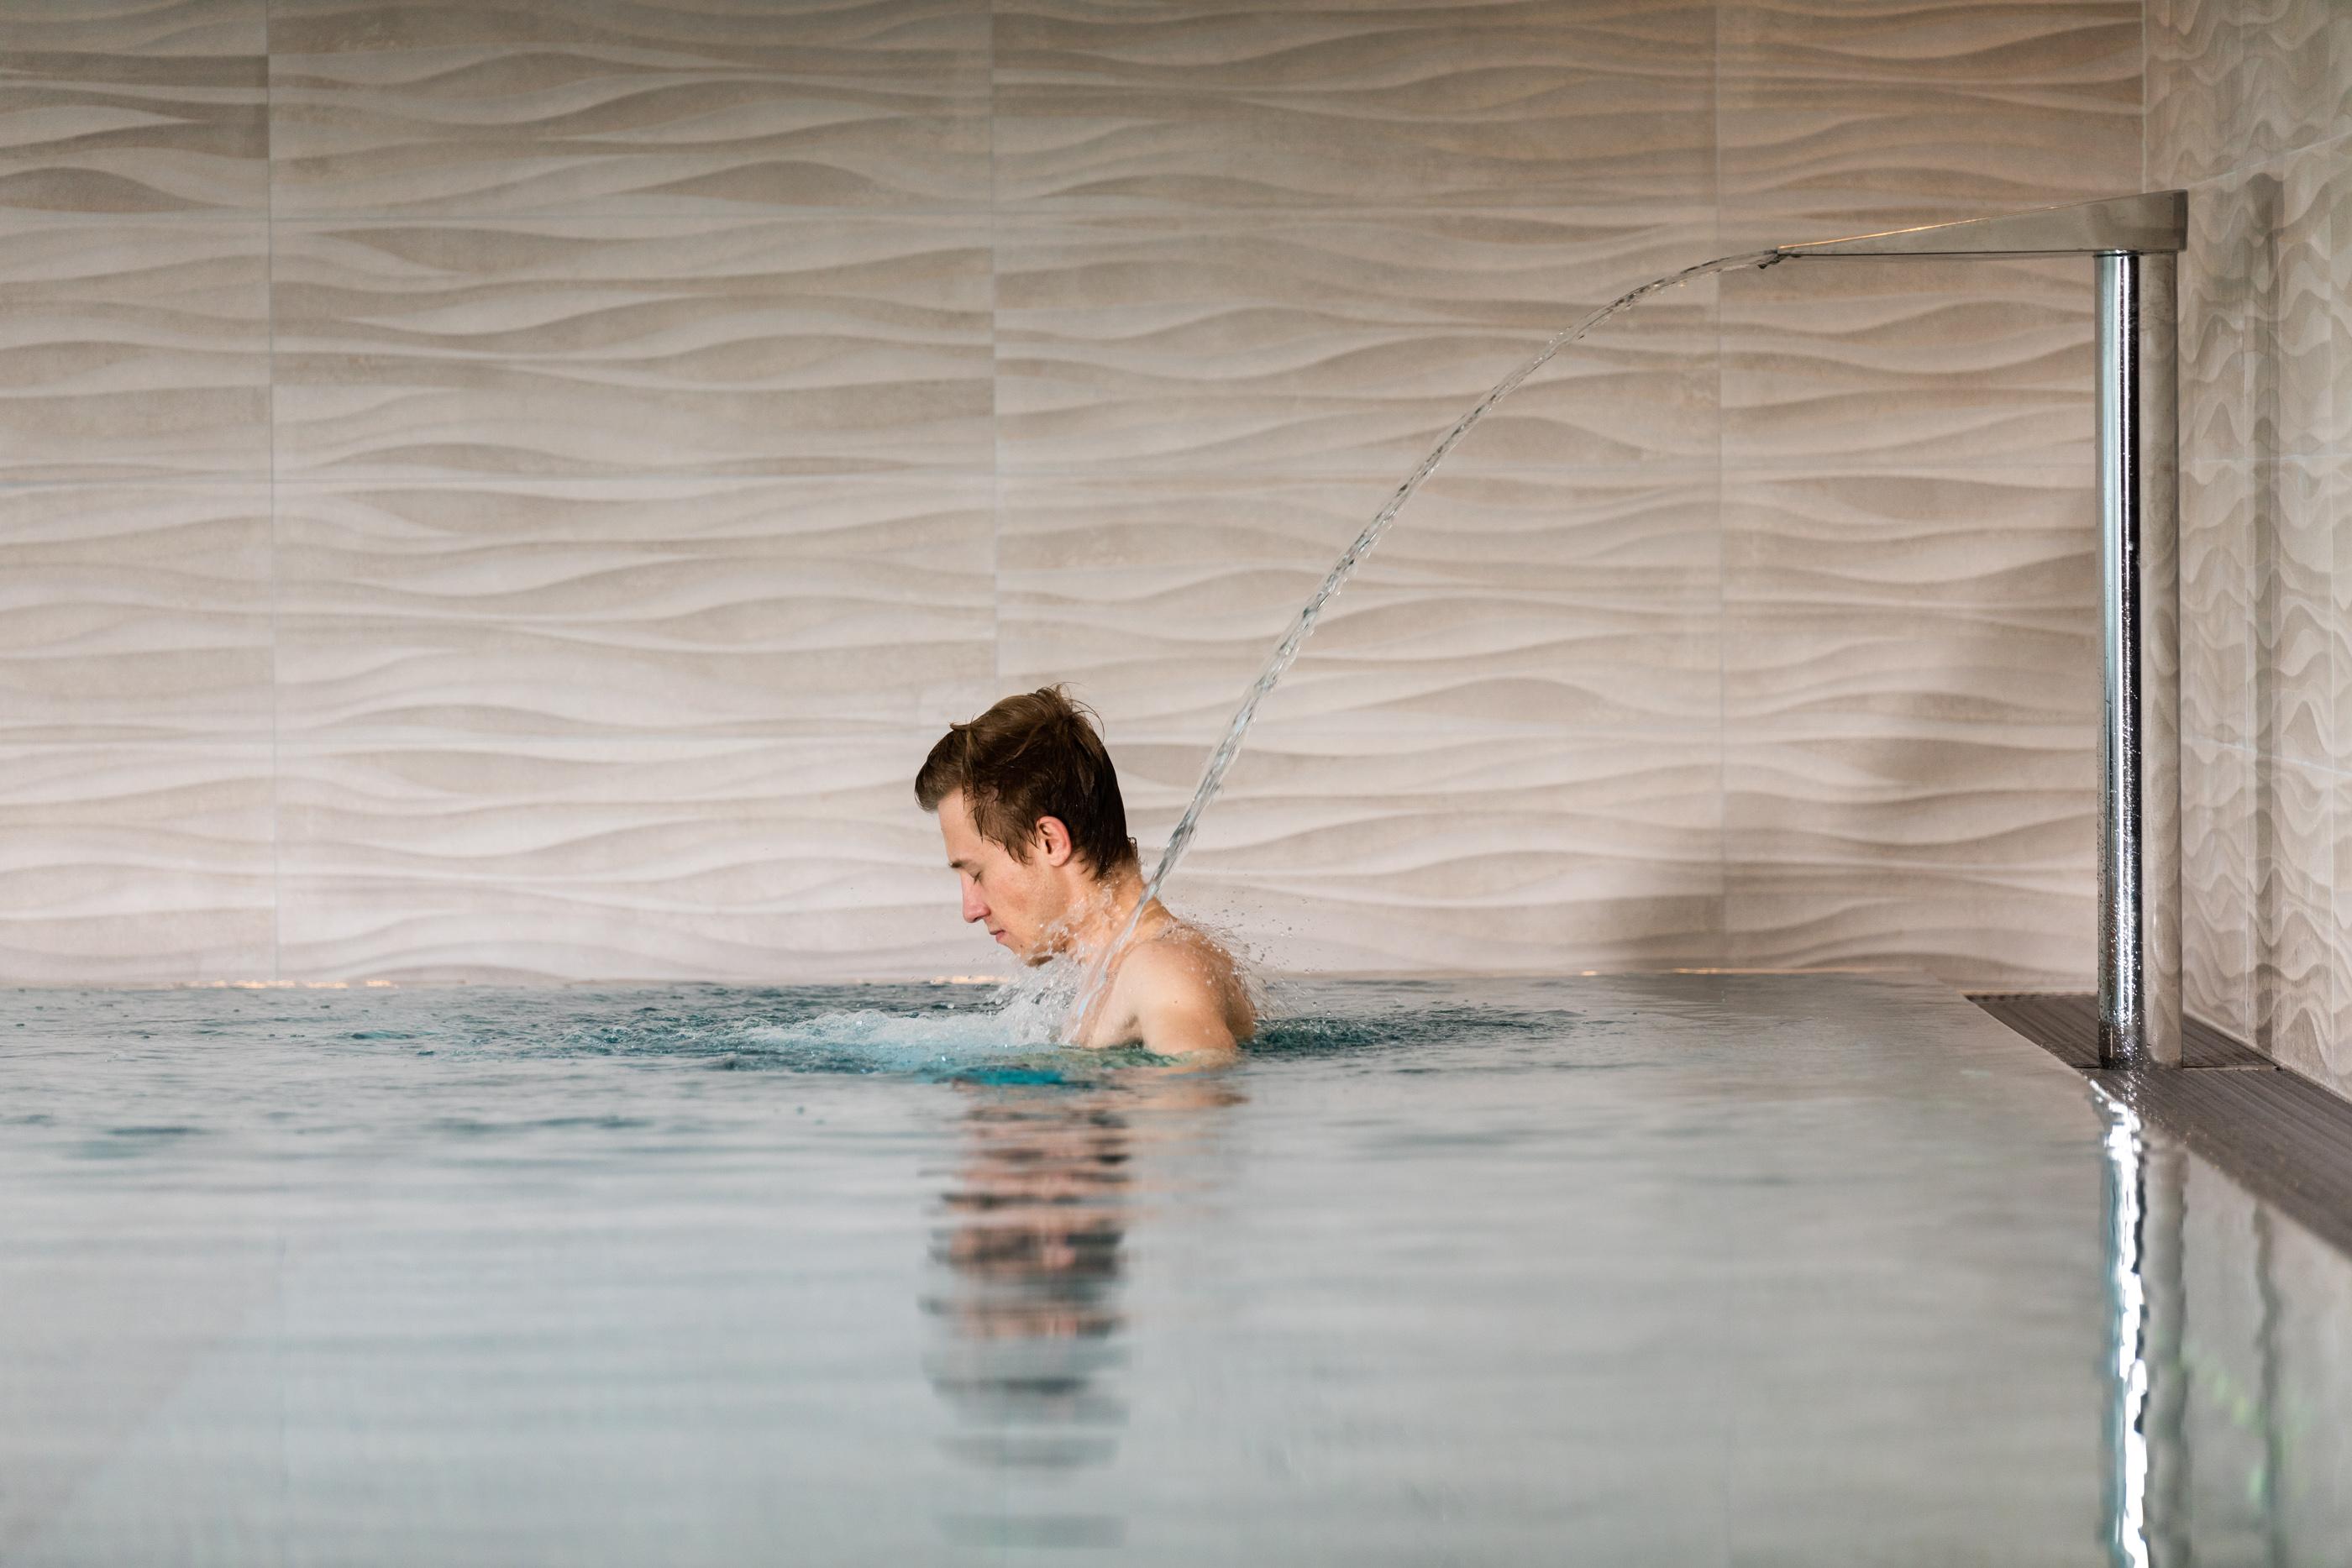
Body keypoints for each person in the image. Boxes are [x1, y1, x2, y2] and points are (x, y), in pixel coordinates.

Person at [914, 686, 1255, 1059]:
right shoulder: (1115, 973)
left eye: (977, 874)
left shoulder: (1161, 970)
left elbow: (1197, 1083)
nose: (970, 910)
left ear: (1049, 842)